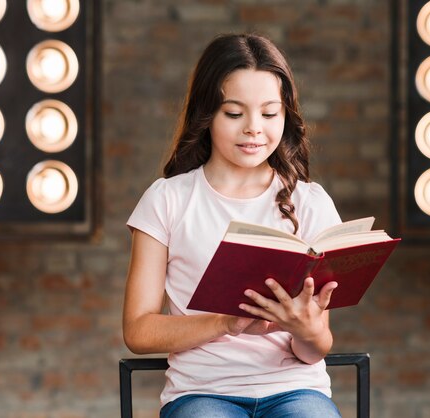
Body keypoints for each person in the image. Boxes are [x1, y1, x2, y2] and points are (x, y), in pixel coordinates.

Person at [123, 33, 343, 418]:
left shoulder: (311, 203)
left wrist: (305, 330)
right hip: (202, 393)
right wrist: (226, 323)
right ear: (206, 115)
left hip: (294, 389)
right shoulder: (167, 199)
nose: (254, 129)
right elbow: (138, 331)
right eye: (234, 113)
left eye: (270, 113)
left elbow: (315, 349)